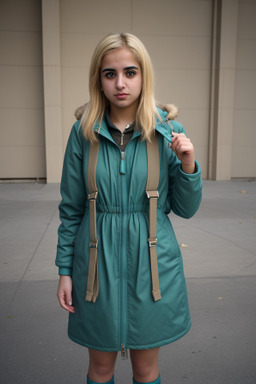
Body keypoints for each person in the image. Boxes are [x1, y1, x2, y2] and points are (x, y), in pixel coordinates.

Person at [56, 33, 202, 384]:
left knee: (146, 370)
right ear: (99, 80)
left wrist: (188, 164)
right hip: (94, 264)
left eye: (130, 72)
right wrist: (64, 269)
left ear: (143, 76)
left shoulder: (168, 131)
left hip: (152, 268)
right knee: (100, 369)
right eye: (110, 74)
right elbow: (72, 208)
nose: (120, 83)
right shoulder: (82, 133)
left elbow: (185, 208)